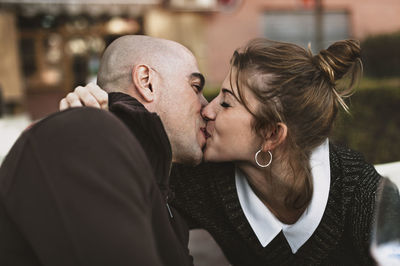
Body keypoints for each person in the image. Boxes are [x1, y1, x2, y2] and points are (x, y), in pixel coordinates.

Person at [60, 38, 381, 265]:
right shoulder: (200, 180)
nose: (207, 109)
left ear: (271, 134)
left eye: (225, 102)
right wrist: (89, 129)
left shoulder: (364, 196)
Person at [0, 35, 208, 266]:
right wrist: (84, 126)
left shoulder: (161, 189)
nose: (207, 107)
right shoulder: (87, 136)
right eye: (195, 87)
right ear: (146, 81)